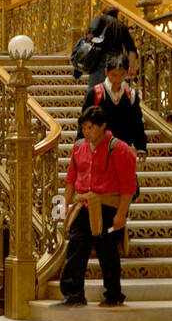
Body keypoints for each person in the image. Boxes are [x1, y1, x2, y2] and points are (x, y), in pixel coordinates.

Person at [58, 105, 137, 307]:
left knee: (108, 251)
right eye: (84, 127)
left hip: (108, 205)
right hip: (84, 204)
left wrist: (121, 214)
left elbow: (128, 186)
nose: (87, 132)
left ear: (103, 126)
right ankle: (73, 293)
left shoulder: (120, 149)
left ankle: (113, 294)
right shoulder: (78, 147)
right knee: (76, 246)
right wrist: (64, 206)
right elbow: (70, 179)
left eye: (91, 127)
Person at [80, 53, 148, 162]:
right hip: (98, 151)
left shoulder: (131, 95)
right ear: (106, 72)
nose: (117, 79)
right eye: (114, 75)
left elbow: (137, 123)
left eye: (121, 75)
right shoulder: (95, 93)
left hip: (123, 150)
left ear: (127, 72)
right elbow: (84, 123)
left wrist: (141, 146)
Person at [83, 6, 139, 86]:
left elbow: (90, 36)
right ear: (116, 15)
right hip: (117, 62)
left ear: (104, 13)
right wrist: (131, 67)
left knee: (96, 90)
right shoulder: (122, 26)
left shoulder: (99, 19)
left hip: (100, 60)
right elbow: (131, 50)